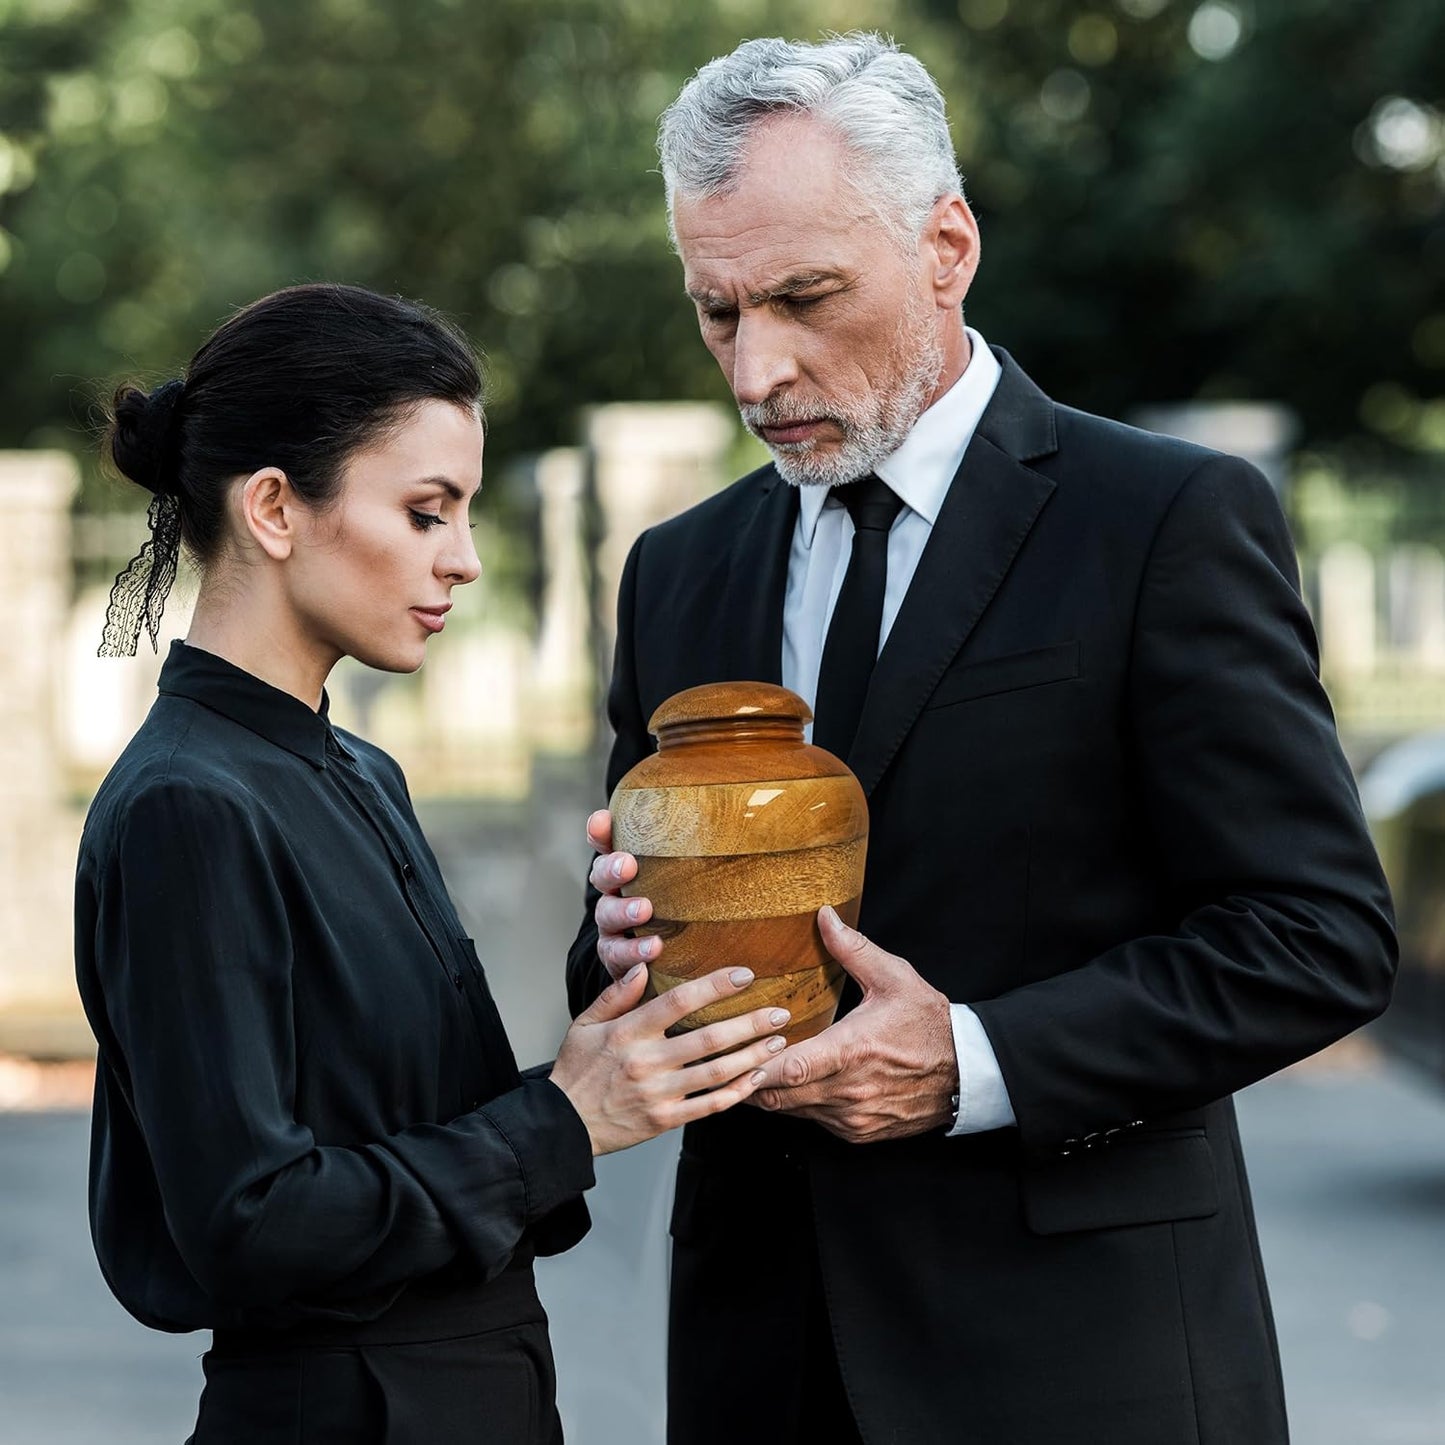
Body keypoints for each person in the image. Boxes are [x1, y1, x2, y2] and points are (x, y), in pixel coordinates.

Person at [565, 34, 1397, 1445]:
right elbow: (625, 964)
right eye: (718, 313)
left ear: (945, 245)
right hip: (761, 1355)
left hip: (1085, 1363)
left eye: (804, 297)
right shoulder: (677, 571)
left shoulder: (1161, 524)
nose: (758, 370)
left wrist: (973, 1059)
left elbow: (1316, 935)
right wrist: (626, 944)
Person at [74, 283, 790, 1445]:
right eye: (424, 511)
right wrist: (566, 1118)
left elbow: (401, 1117)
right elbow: (249, 1219)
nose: (461, 558)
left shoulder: (358, 768)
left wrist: (613, 1016)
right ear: (272, 508)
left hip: (478, 1387)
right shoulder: (186, 807)